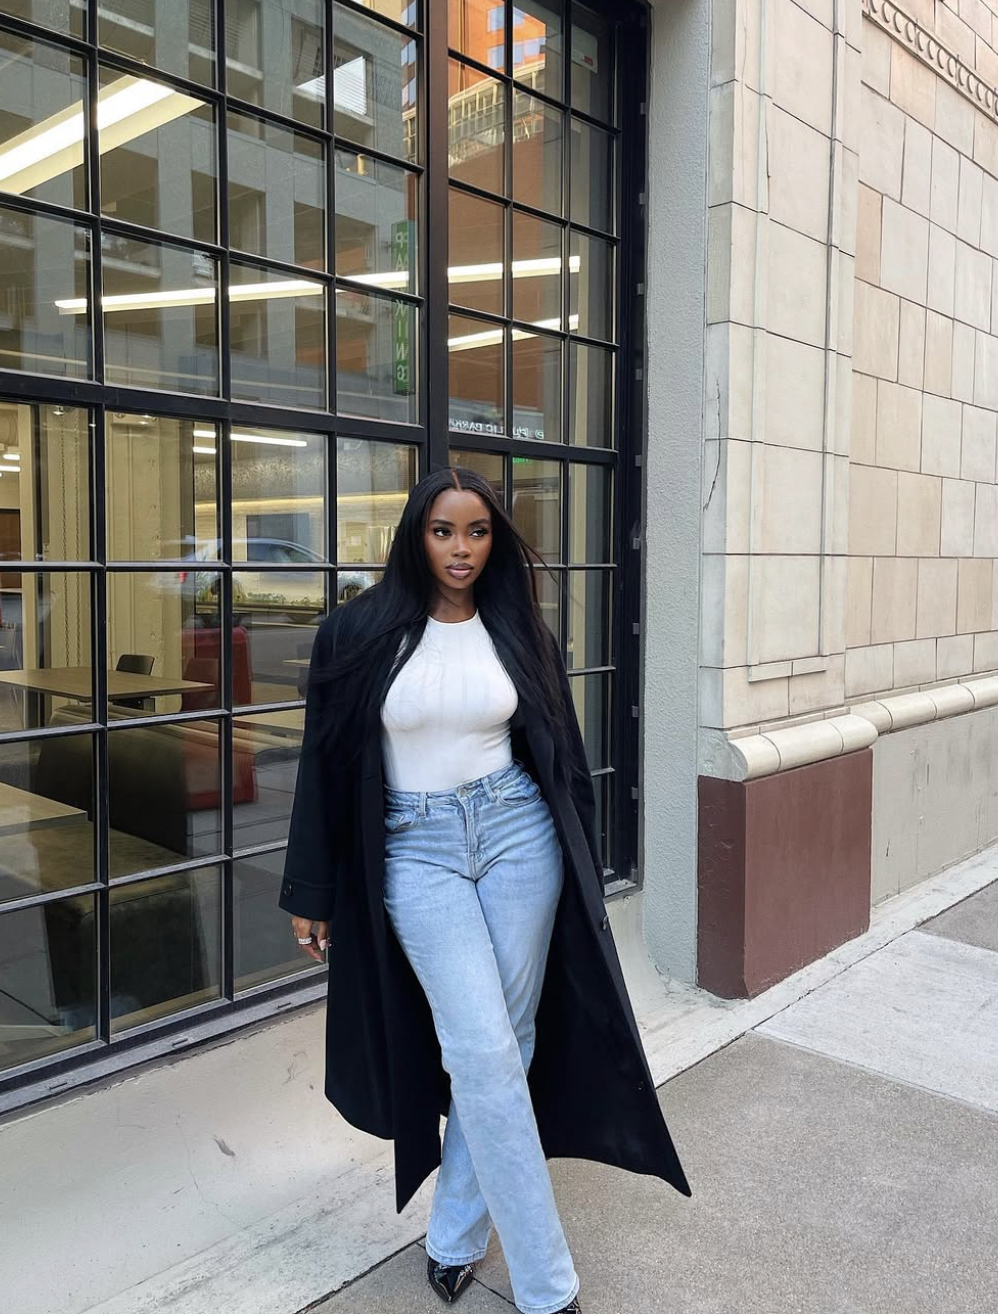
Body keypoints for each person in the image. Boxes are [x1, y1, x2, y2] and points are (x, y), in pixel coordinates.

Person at [280, 467, 689, 1314]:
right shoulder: (355, 634)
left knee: (510, 1040)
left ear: (493, 539)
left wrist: (581, 859)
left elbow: (561, 757)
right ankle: (547, 1285)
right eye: (442, 531)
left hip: (516, 836)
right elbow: (323, 770)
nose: (461, 550)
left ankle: (456, 1236)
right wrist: (311, 890)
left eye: (476, 532)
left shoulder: (517, 628)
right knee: (484, 1051)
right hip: (413, 847)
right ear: (414, 535)